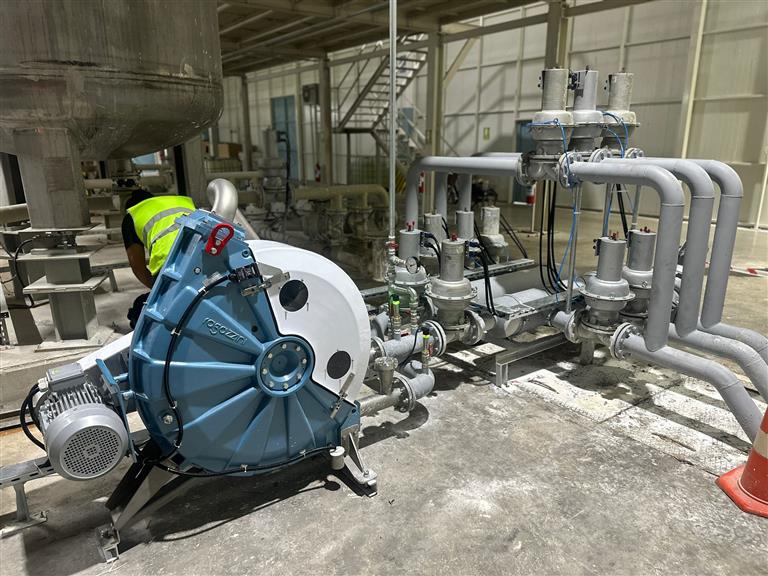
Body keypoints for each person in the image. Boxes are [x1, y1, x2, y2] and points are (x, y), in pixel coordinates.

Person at [122, 189, 195, 327]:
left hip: (170, 264)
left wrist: (158, 292)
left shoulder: (132, 215)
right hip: (206, 252)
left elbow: (137, 266)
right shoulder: (181, 201)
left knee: (142, 307)